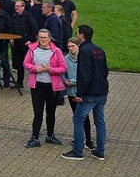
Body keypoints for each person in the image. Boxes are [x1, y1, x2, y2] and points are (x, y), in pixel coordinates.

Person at [62, 25, 108, 162]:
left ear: (81, 35)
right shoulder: (99, 50)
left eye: (77, 33)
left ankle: (77, 151)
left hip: (90, 93)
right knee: (99, 120)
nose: (77, 34)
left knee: (78, 118)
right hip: (102, 90)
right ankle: (99, 151)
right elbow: (105, 71)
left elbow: (84, 74)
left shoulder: (84, 51)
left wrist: (79, 94)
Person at [23, 29, 66, 148]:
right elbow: (26, 63)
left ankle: (50, 135)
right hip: (37, 86)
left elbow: (63, 68)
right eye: (40, 37)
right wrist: (34, 69)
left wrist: (50, 70)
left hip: (52, 87)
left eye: (45, 37)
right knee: (38, 113)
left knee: (51, 112)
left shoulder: (56, 51)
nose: (42, 40)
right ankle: (35, 137)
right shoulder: (32, 50)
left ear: (49, 38)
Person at [63, 38, 92, 152]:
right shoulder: (66, 58)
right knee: (76, 116)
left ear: (78, 46)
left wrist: (73, 81)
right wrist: (65, 80)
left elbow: (86, 75)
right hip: (71, 92)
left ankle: (88, 140)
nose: (71, 48)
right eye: (69, 46)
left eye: (73, 46)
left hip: (82, 91)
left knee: (84, 116)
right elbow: (63, 72)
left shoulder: (83, 57)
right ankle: (78, 138)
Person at [10, 0, 39, 89]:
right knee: (19, 64)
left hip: (26, 44)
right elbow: (12, 28)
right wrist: (11, 38)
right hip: (17, 44)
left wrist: (30, 40)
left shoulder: (28, 16)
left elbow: (34, 28)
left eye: (18, 6)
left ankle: (35, 82)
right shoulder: (14, 16)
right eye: (15, 6)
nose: (16, 8)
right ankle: (19, 82)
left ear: (23, 7)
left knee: (31, 64)